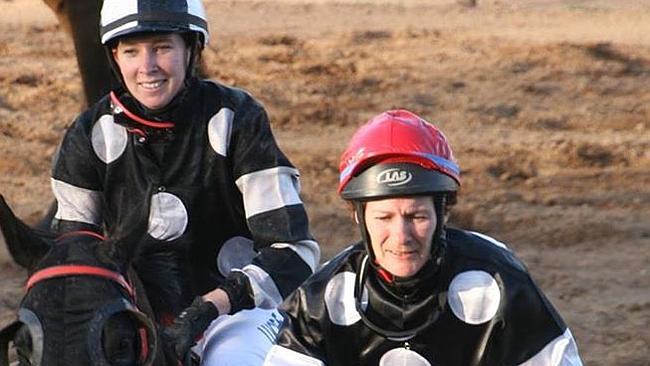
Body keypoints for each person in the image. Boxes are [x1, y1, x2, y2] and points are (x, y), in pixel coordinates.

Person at [49, 0, 320, 364]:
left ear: (191, 49)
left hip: (235, 316)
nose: (147, 67)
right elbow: (72, 260)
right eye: (132, 51)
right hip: (128, 313)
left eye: (162, 48)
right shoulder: (86, 134)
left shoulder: (238, 118)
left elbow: (294, 252)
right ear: (114, 56)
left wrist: (210, 307)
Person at [263, 109, 583, 365]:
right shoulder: (320, 299)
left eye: (416, 216)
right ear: (357, 216)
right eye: (383, 217)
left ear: (443, 213)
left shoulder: (497, 280)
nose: (401, 237)